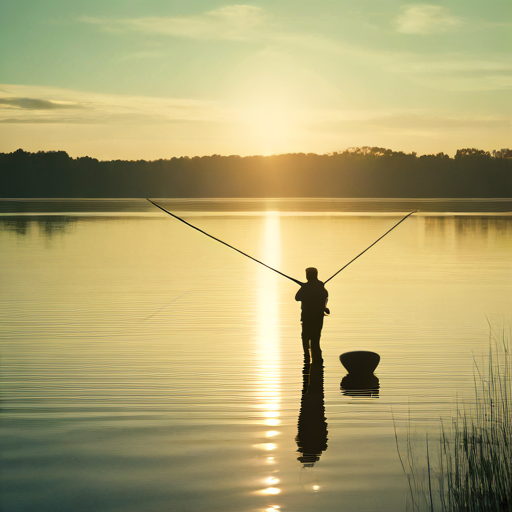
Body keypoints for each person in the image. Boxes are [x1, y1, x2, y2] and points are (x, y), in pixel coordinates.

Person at [295, 268, 329, 363]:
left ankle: (307, 358)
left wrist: (304, 287)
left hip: (308, 317)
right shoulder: (320, 287)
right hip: (317, 317)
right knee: (315, 338)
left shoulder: (313, 287)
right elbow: (325, 296)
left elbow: (297, 297)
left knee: (306, 338)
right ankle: (316, 361)